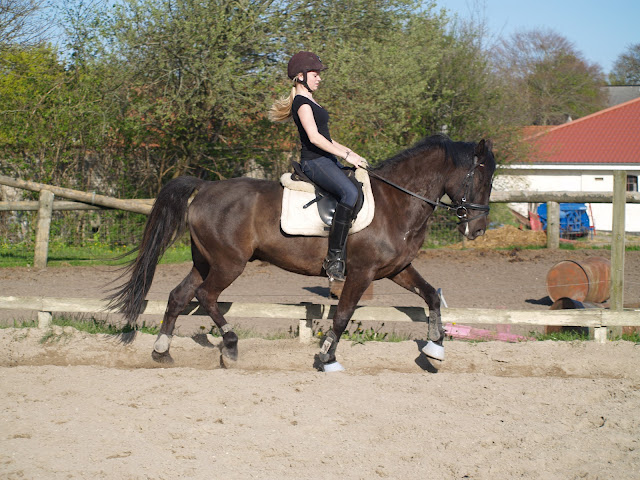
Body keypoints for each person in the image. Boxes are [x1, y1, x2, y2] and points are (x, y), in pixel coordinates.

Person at [269, 51, 368, 282]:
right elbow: (314, 139)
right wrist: (346, 155)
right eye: (315, 74)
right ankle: (334, 259)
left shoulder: (311, 101)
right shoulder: (302, 103)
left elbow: (327, 138)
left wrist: (352, 154)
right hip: (314, 162)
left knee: (357, 185)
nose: (319, 78)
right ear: (301, 76)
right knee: (349, 193)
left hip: (327, 160)